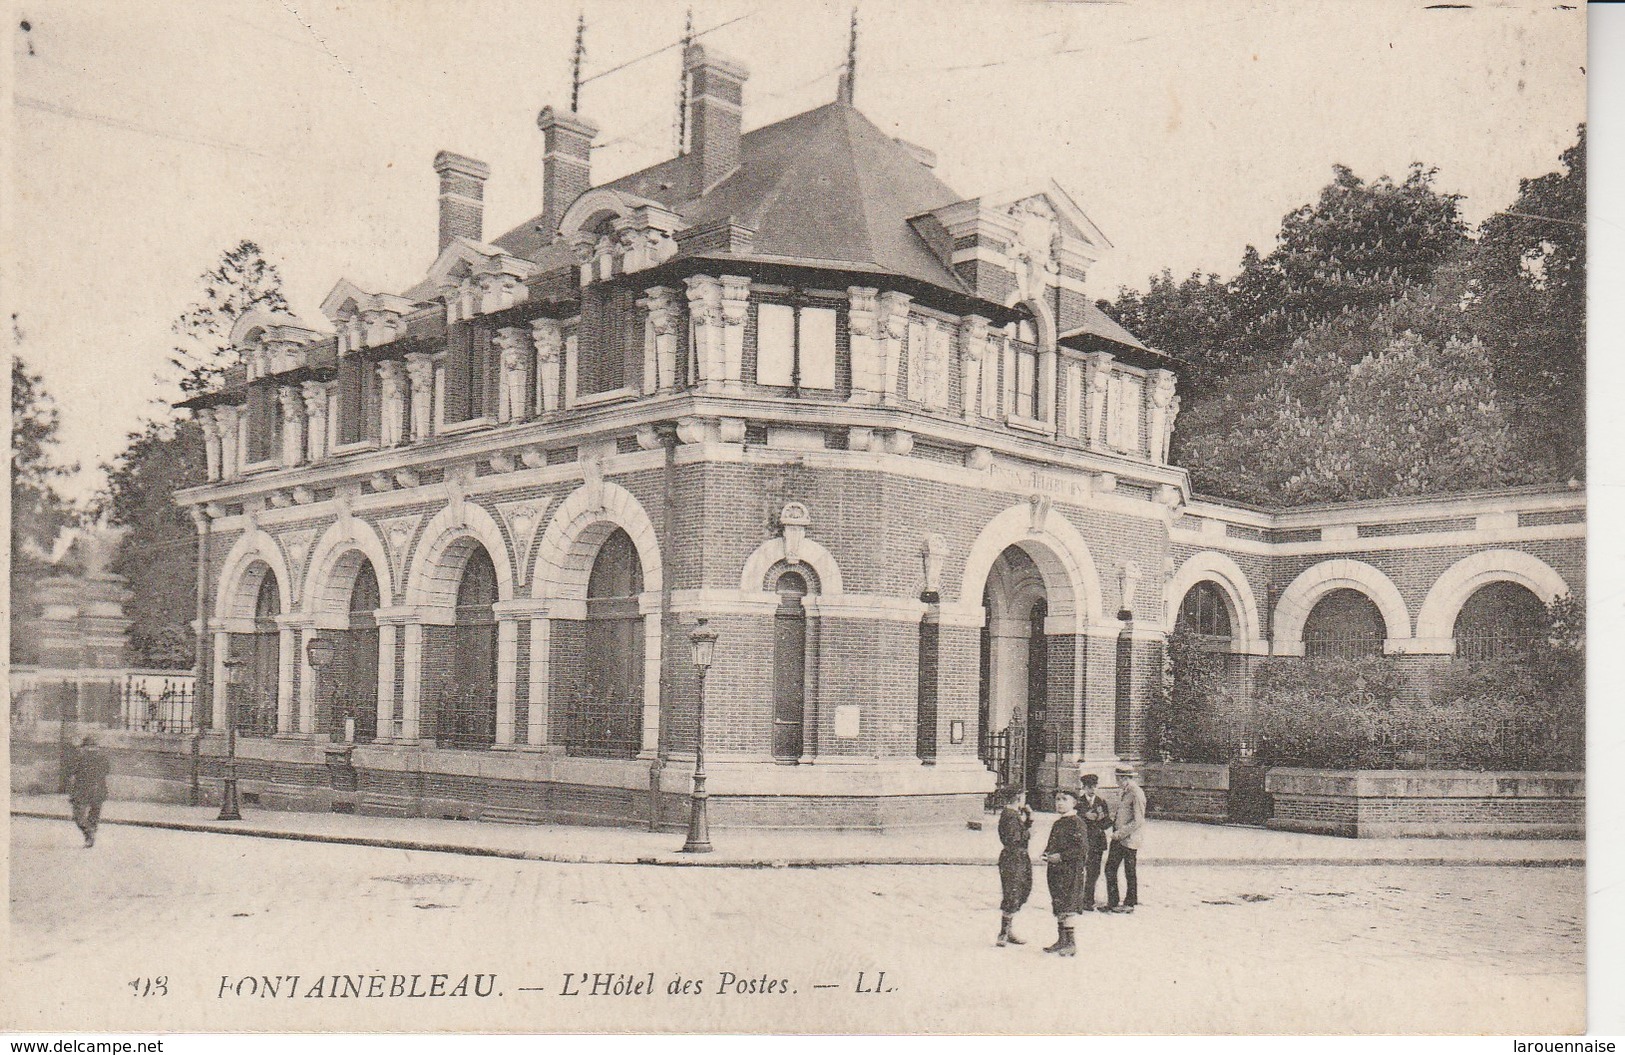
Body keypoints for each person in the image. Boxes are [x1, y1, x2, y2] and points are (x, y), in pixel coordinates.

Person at [1041, 788, 1086, 955]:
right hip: (1055, 871)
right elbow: (1052, 843)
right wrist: (1047, 852)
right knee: (1059, 905)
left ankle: (1071, 943)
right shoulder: (1058, 822)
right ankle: (1061, 940)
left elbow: (1081, 851)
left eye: (1064, 799)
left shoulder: (1077, 823)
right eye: (1057, 799)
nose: (1059, 802)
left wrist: (1060, 857)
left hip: (1070, 871)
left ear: (1073, 803)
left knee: (1068, 906)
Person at [1100, 765, 1146, 913]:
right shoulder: (1126, 791)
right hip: (1118, 837)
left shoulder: (1136, 793)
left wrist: (1120, 833)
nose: (1117, 781)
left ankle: (1130, 903)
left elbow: (1138, 820)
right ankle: (1113, 902)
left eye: (1118, 778)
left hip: (1129, 839)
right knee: (1110, 869)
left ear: (1125, 778)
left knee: (1129, 871)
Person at [992, 786, 1033, 947]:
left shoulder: (1014, 814)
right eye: (1023, 796)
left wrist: (1029, 818)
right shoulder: (1010, 815)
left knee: (1021, 890)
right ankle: (1003, 933)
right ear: (1018, 797)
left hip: (1019, 857)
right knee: (1012, 892)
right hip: (1013, 857)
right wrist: (1029, 832)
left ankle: (1008, 930)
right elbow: (1014, 838)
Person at [1075, 772, 1113, 912]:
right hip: (1083, 841)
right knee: (1080, 871)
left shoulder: (1101, 802)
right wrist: (1085, 816)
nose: (1092, 790)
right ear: (1084, 788)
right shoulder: (1078, 803)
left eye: (1094, 787)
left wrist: (1102, 819)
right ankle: (1078, 900)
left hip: (1097, 842)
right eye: (1089, 787)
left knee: (1093, 872)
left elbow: (1107, 822)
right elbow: (1074, 819)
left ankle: (1088, 900)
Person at [68, 734, 111, 848]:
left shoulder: (79, 756)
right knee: (94, 815)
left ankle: (88, 834)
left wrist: (72, 791)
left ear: (84, 746)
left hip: (82, 790)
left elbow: (72, 773)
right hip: (98, 789)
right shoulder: (102, 757)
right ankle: (90, 834)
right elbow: (107, 771)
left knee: (78, 815)